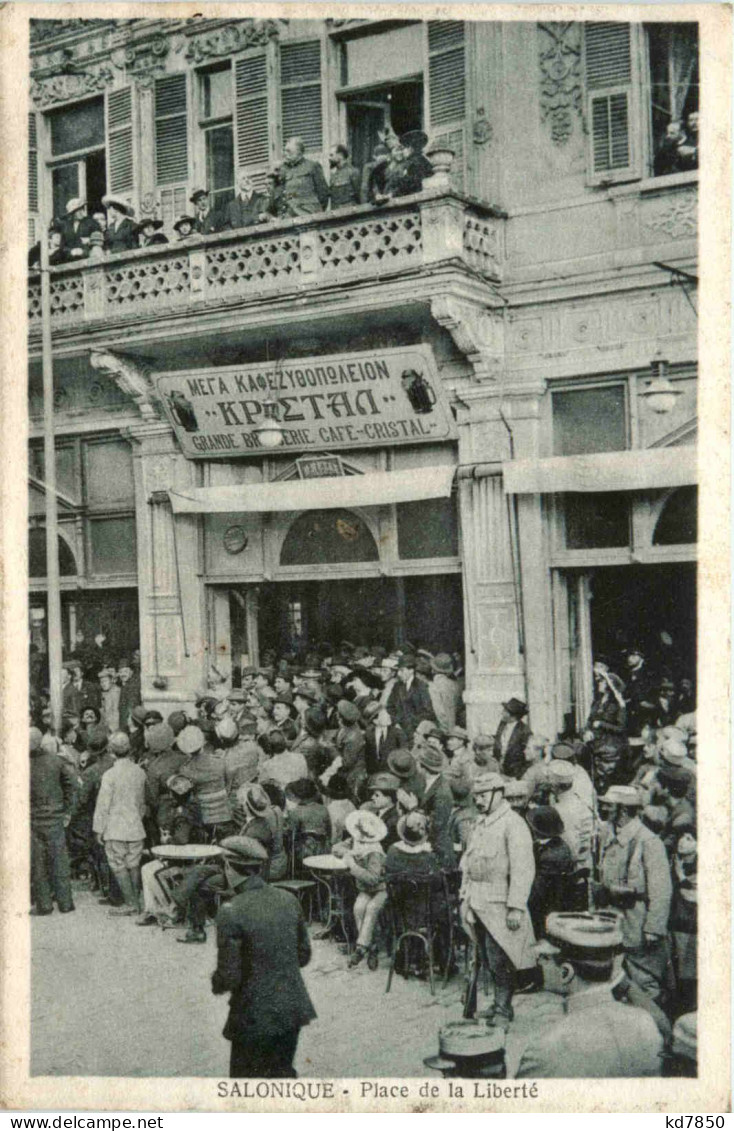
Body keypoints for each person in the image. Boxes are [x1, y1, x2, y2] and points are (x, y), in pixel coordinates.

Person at [211, 837, 316, 1078]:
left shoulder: (231, 910)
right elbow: (303, 955)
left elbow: (229, 976)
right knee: (281, 1077)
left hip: (253, 1013)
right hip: (291, 1007)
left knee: (246, 1088)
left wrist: (217, 983)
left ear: (229, 867)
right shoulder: (288, 898)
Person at [515, 911, 664, 1078]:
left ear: (566, 973)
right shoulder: (645, 1024)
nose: (539, 963)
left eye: (545, 958)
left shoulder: (545, 1048)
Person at [460, 773, 536, 1028]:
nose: (478, 801)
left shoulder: (513, 824)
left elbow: (523, 868)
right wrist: (465, 895)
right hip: (478, 902)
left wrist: (516, 907)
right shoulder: (482, 823)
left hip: (500, 904)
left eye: (483, 796)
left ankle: (504, 1009)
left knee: (501, 958)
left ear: (498, 793)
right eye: (476, 796)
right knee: (485, 958)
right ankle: (496, 1004)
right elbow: (469, 862)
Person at [598, 785, 673, 1006]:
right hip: (612, 919)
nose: (604, 808)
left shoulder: (648, 842)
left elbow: (661, 891)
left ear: (622, 810)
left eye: (609, 805)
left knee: (644, 981)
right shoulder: (608, 834)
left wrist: (653, 929)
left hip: (637, 924)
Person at [92, 731, 147, 916]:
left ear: (111, 751)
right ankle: (137, 903)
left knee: (118, 865)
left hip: (115, 828)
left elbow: (103, 805)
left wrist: (99, 829)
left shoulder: (109, 775)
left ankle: (130, 903)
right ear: (129, 749)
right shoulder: (140, 772)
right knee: (134, 863)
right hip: (135, 827)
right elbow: (142, 802)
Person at [30, 727, 77, 915]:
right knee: (60, 861)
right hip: (55, 817)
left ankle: (44, 904)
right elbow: (72, 786)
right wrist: (67, 811)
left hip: (32, 819)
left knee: (38, 863)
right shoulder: (56, 761)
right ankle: (66, 903)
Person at [333, 810, 388, 969]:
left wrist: (352, 865)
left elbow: (373, 878)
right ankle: (372, 948)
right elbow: (336, 848)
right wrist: (347, 852)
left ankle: (361, 948)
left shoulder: (374, 852)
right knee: (358, 908)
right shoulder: (355, 843)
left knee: (371, 908)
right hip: (366, 890)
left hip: (381, 889)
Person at [525, 806, 576, 940]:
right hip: (551, 904)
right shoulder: (558, 844)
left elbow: (537, 892)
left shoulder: (551, 856)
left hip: (546, 911)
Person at [387, 656, 436, 743]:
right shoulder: (397, 686)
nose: (398, 673)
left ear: (411, 670)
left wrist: (409, 722)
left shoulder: (422, 687)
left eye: (402, 670)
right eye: (398, 670)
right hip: (397, 730)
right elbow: (389, 707)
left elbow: (428, 712)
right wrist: (396, 722)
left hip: (414, 732)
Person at [281, 136, 329, 217]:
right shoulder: (284, 170)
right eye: (285, 151)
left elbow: (323, 193)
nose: (285, 154)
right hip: (291, 215)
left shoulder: (312, 166)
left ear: (299, 152)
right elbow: (286, 194)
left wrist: (316, 212)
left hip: (310, 213)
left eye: (289, 151)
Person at [493, 698, 531, 780]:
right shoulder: (502, 724)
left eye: (505, 711)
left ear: (513, 716)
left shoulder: (524, 731)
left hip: (514, 773)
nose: (502, 713)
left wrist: (517, 776)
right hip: (498, 770)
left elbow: (528, 757)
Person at [428, 653, 462, 732]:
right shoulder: (455, 685)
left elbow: (439, 712)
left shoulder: (433, 686)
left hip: (441, 729)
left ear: (433, 670)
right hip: (453, 727)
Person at [328, 144, 361, 209]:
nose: (329, 158)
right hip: (336, 213)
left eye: (331, 155)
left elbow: (359, 195)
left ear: (340, 155)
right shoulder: (333, 175)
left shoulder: (353, 172)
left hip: (350, 212)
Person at [98, 668, 121, 733]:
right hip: (107, 727)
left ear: (112, 680)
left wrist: (112, 729)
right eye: (101, 682)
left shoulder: (116, 692)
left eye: (105, 681)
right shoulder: (106, 692)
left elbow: (116, 712)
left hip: (114, 728)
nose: (102, 684)